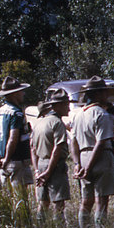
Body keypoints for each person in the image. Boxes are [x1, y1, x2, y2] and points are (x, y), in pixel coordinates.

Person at [71, 76, 114, 228]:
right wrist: (89, 166)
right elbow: (101, 142)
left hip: (83, 157)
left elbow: (73, 141)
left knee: (86, 200)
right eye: (104, 92)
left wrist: (78, 163)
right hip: (100, 159)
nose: (107, 95)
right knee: (101, 201)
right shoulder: (101, 114)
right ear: (98, 94)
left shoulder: (78, 115)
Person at [31, 89, 71, 218]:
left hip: (41, 164)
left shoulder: (39, 123)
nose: (69, 109)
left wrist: (37, 170)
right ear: (58, 106)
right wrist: (48, 171)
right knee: (58, 203)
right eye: (66, 105)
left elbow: (32, 149)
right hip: (54, 166)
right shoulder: (57, 123)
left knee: (43, 202)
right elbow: (57, 149)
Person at [0, 76, 35, 187]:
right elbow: (13, 138)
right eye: (21, 91)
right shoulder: (16, 113)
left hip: (2, 161)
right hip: (15, 160)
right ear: (14, 94)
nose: (23, 94)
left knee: (8, 197)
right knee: (20, 198)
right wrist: (7, 159)